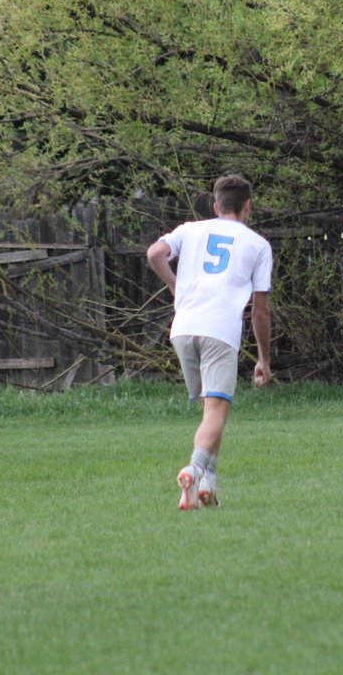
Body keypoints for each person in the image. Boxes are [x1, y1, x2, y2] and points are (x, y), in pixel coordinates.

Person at [146, 174, 274, 509]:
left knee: (210, 411)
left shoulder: (190, 229)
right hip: (219, 330)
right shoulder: (258, 245)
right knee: (217, 410)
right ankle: (194, 468)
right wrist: (263, 359)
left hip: (183, 328)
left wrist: (177, 289)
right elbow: (261, 311)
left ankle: (208, 485)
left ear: (215, 206)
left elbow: (154, 253)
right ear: (248, 206)